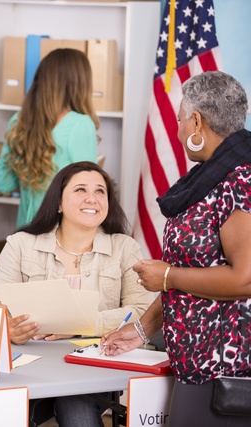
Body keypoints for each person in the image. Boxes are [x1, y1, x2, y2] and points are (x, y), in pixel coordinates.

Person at [102, 72, 251, 426]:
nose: (179, 130)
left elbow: (245, 278)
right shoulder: (213, 176)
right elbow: (193, 276)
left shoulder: (240, 180)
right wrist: (140, 330)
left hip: (225, 366)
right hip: (195, 360)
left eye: (181, 120)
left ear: (197, 120)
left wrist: (167, 275)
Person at [0, 161, 156, 427]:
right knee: (6, 415)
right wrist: (8, 329)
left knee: (77, 412)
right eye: (80, 190)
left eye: (101, 191)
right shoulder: (20, 244)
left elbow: (142, 313)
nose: (92, 198)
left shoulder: (125, 247)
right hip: (30, 364)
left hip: (94, 365)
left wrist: (80, 325)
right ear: (59, 203)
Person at [0, 48, 99, 228]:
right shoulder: (81, 124)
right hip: (63, 236)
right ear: (80, 84)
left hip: (25, 233)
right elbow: (91, 193)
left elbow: (3, 183)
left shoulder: (18, 120)